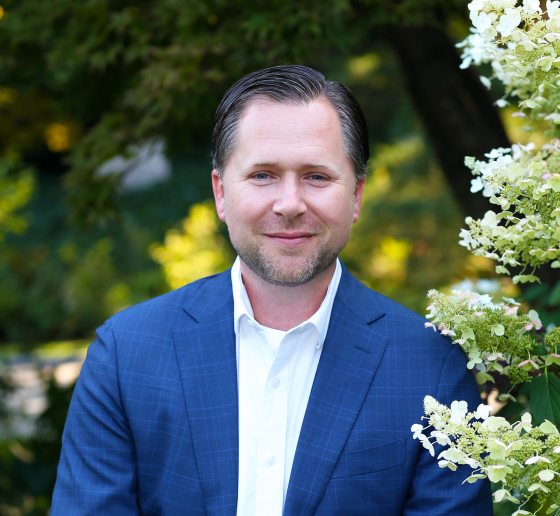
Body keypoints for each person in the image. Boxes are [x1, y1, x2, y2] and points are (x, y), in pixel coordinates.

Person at [52, 65, 492, 515]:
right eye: (262, 175)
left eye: (316, 176)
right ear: (221, 193)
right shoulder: (126, 355)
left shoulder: (431, 365)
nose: (289, 205)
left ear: (356, 195)